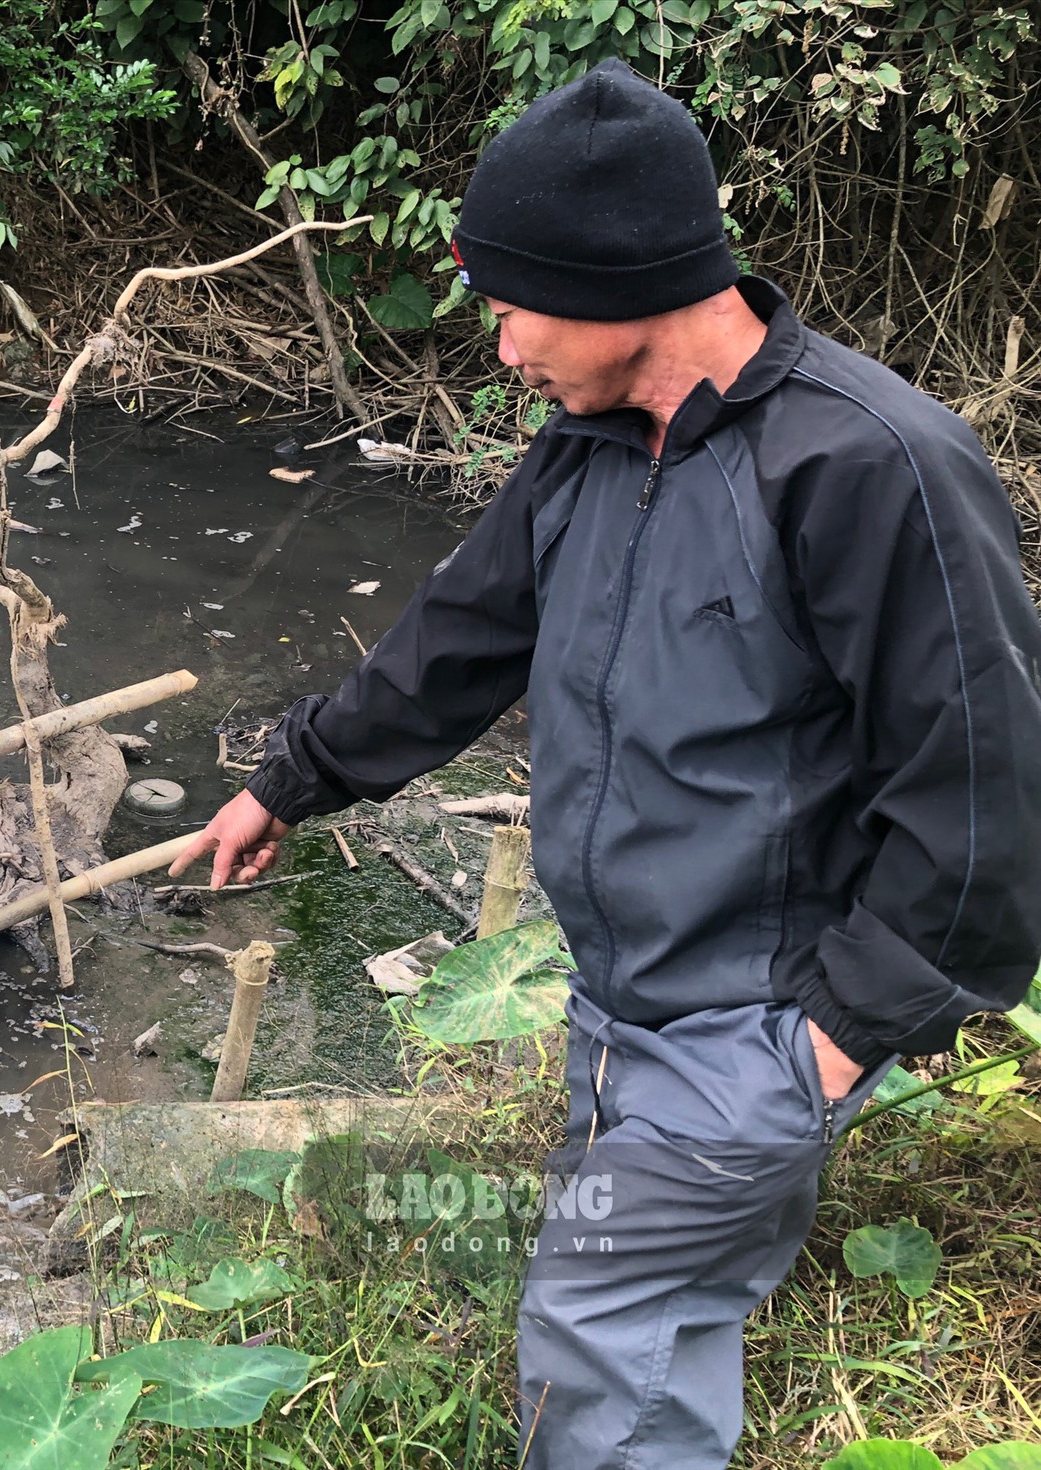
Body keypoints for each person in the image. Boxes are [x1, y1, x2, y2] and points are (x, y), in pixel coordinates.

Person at [171, 58, 1041, 1470]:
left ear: (615, 285)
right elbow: (461, 636)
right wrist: (293, 777)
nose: (500, 344)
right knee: (647, 1348)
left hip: (751, 1031)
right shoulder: (592, 448)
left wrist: (821, 1053)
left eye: (511, 305)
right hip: (617, 1012)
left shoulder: (870, 466)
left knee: (593, 1344)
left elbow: (987, 801)